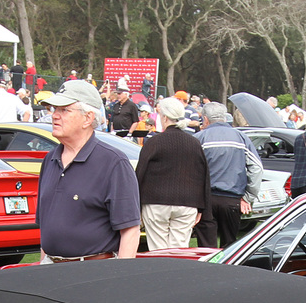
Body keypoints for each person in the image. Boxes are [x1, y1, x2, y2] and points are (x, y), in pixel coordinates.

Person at [37, 79, 141, 261]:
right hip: (50, 272)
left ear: (88, 118)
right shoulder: (49, 160)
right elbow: (47, 228)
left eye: (64, 110)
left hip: (93, 274)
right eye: (54, 109)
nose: (55, 116)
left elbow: (130, 231)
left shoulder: (114, 163)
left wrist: (120, 281)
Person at [135, 95, 210, 249]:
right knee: (179, 250)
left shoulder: (154, 142)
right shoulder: (194, 143)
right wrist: (202, 207)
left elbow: (140, 173)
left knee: (157, 249)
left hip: (156, 201)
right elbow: (204, 175)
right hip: (187, 203)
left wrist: (136, 204)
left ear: (165, 117)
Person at [196, 100, 261, 248]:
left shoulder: (200, 138)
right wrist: (248, 197)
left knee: (206, 247)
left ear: (205, 119)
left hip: (206, 200)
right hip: (232, 199)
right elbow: (257, 168)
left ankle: (207, 271)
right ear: (225, 117)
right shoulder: (241, 137)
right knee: (230, 247)